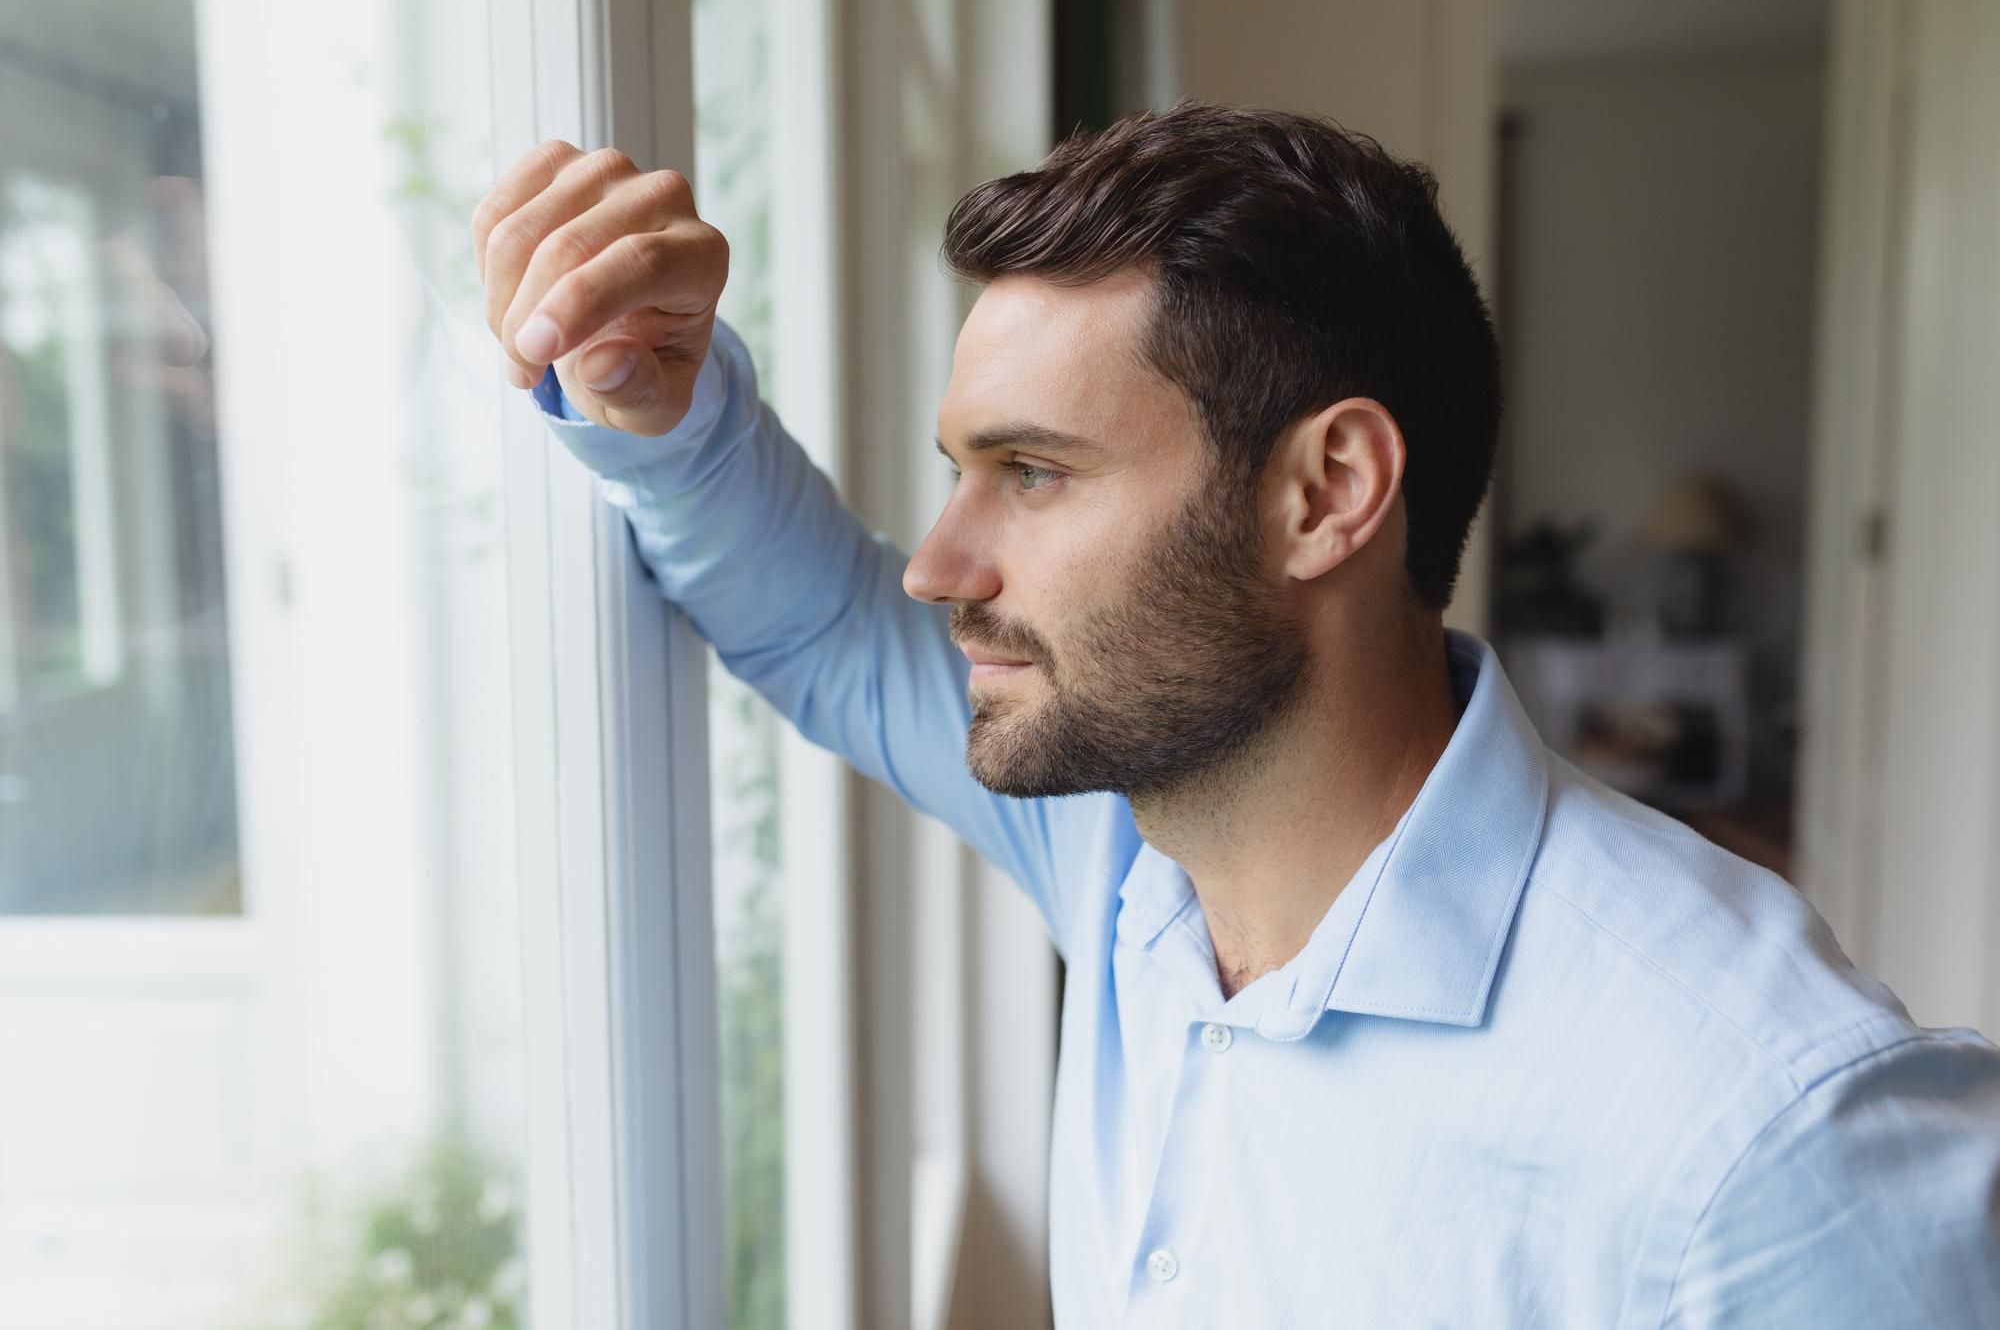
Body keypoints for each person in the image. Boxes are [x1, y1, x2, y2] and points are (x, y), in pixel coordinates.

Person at [472, 102, 2000, 1327]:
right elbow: (823, 621)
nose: (941, 563)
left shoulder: (1769, 1129)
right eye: (960, 468)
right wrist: (653, 388)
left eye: (1036, 472)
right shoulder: (1134, 852)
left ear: (1325, 493)